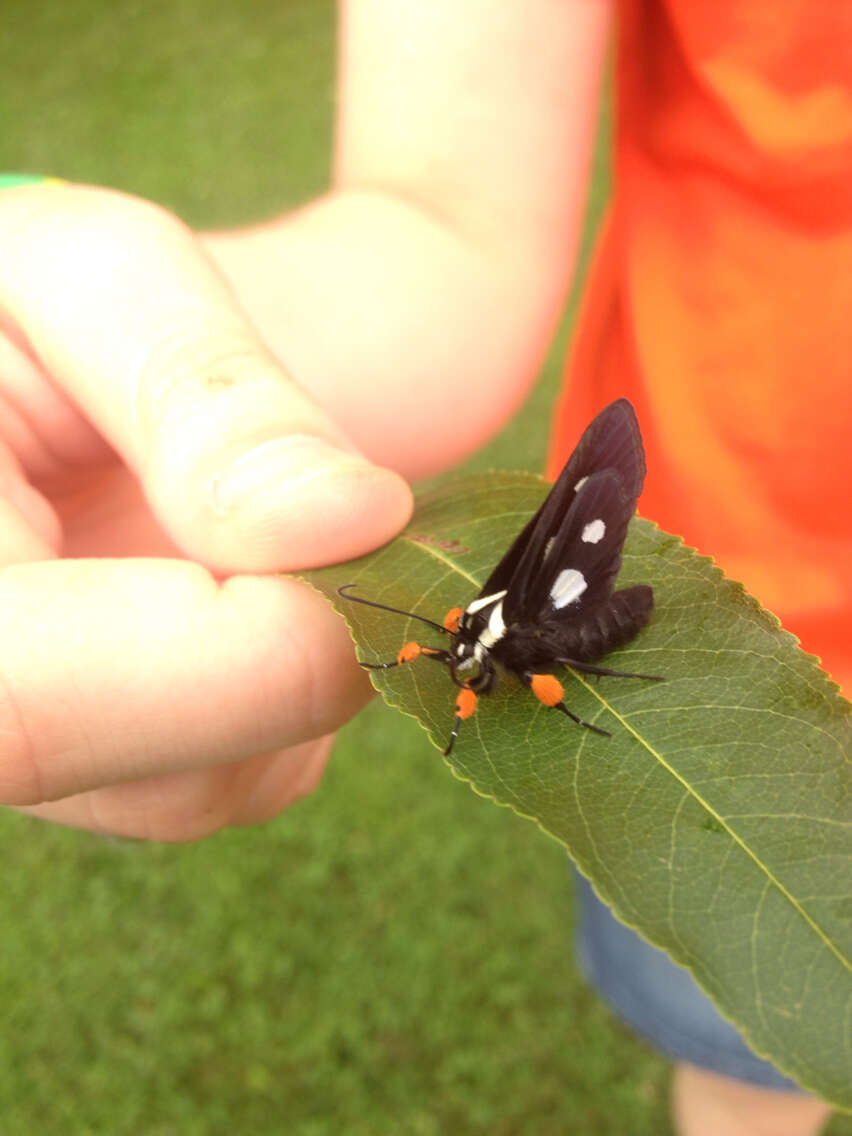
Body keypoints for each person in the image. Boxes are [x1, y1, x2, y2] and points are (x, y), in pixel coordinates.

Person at [0, 2, 839, 1133]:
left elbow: (511, 673)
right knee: (743, 1029)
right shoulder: (477, 647)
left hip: (599, 602)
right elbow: (440, 219)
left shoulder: (498, 651)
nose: (457, 665)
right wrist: (85, 369)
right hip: (727, 555)